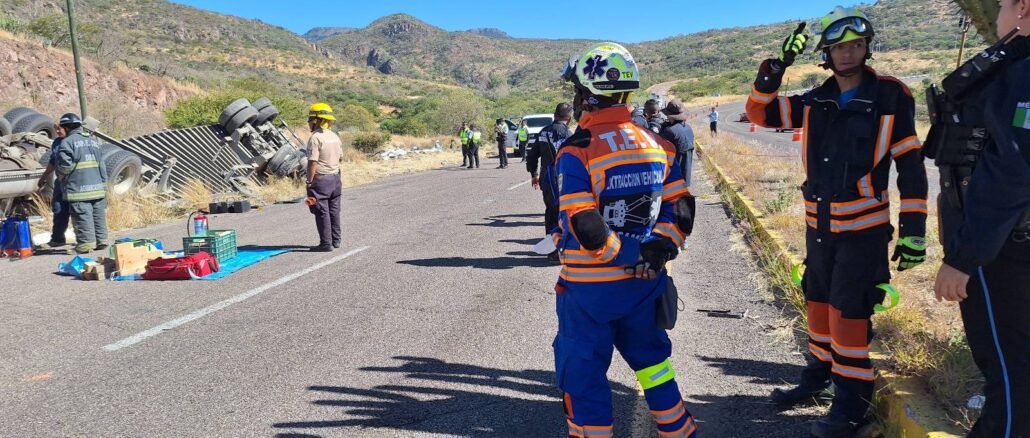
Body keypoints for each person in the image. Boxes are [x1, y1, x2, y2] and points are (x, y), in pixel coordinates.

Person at [746, 7, 928, 437]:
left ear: (867, 49)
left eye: (856, 45)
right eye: (839, 47)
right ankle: (816, 382)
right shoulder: (816, 99)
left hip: (863, 233)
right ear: (827, 53)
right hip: (819, 229)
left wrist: (914, 231)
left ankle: (851, 408)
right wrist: (775, 69)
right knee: (818, 309)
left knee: (849, 319)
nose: (848, 53)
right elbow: (759, 114)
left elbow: (912, 166)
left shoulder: (891, 95)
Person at [553, 42, 697, 437]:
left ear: (584, 94)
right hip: (644, 285)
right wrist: (654, 253)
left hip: (590, 294)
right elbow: (681, 209)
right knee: (655, 371)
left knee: (584, 382)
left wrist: (624, 255)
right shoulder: (659, 144)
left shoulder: (577, 150)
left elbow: (586, 223)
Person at [929, 3, 1030, 436]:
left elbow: (1013, 167)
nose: (1002, 10)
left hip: (1004, 251)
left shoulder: (1022, 69)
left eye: (1006, 2)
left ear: (1022, 6)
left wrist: (965, 257)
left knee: (1010, 370)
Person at [55, 113, 109, 255]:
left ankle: (85, 245)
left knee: (82, 216)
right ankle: (101, 240)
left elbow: (64, 167)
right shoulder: (93, 141)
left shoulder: (67, 143)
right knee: (98, 215)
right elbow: (101, 164)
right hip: (97, 188)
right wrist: (104, 184)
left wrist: (60, 177)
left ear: (67, 127)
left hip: (79, 189)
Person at [526, 102, 573, 261]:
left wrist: (534, 174)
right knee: (566, 213)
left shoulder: (543, 132)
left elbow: (532, 155)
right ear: (569, 117)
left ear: (555, 115)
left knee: (551, 212)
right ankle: (565, 250)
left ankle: (553, 251)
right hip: (566, 179)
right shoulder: (569, 134)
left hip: (547, 179)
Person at [305, 102, 344, 252]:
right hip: (335, 179)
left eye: (310, 119)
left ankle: (325, 243)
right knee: (334, 210)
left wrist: (309, 181)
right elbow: (340, 158)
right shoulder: (334, 136)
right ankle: (336, 240)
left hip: (321, 180)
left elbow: (312, 162)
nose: (309, 122)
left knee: (321, 211)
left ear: (316, 120)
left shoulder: (315, 138)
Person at [37, 122, 71, 248]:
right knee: (58, 209)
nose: (57, 131)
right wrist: (44, 176)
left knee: (78, 212)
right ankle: (57, 239)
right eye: (55, 129)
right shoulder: (57, 142)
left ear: (67, 128)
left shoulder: (74, 142)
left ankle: (85, 241)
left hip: (74, 183)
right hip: (60, 183)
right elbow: (53, 161)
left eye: (59, 129)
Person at [659, 100, 696, 188]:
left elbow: (661, 149)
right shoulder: (688, 127)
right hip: (685, 176)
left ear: (670, 116)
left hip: (674, 177)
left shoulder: (670, 131)